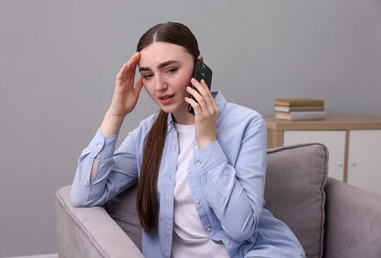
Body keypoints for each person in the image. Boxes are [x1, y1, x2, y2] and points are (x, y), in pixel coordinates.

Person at [71, 22, 305, 258]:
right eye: (148, 75)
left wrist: (207, 141)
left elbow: (241, 228)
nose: (159, 86)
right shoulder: (147, 133)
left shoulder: (247, 124)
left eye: (171, 70)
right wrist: (115, 113)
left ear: (198, 66)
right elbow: (84, 194)